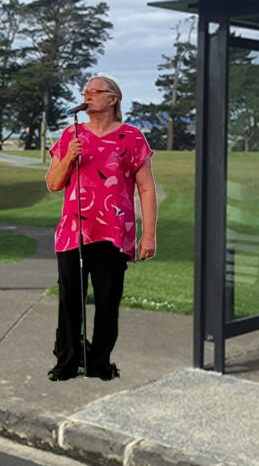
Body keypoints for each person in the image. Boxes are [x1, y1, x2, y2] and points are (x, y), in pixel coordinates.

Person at [44, 74, 157, 382]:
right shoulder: (71, 135)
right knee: (70, 301)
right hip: (73, 233)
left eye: (96, 91)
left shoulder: (132, 138)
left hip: (114, 233)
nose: (88, 95)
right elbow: (54, 184)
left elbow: (146, 189)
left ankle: (99, 362)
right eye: (86, 91)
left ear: (113, 99)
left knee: (107, 302)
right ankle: (67, 361)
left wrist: (149, 235)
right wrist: (69, 157)